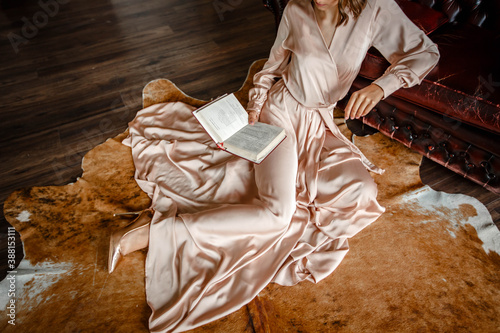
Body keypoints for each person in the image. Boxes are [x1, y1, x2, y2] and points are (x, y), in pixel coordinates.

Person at [109, 0, 440, 332]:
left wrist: (381, 86)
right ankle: (150, 233)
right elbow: (272, 66)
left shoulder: (375, 8)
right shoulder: (296, 9)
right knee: (278, 215)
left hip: (319, 123)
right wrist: (254, 111)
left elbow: (425, 53)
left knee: (362, 190)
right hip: (279, 113)